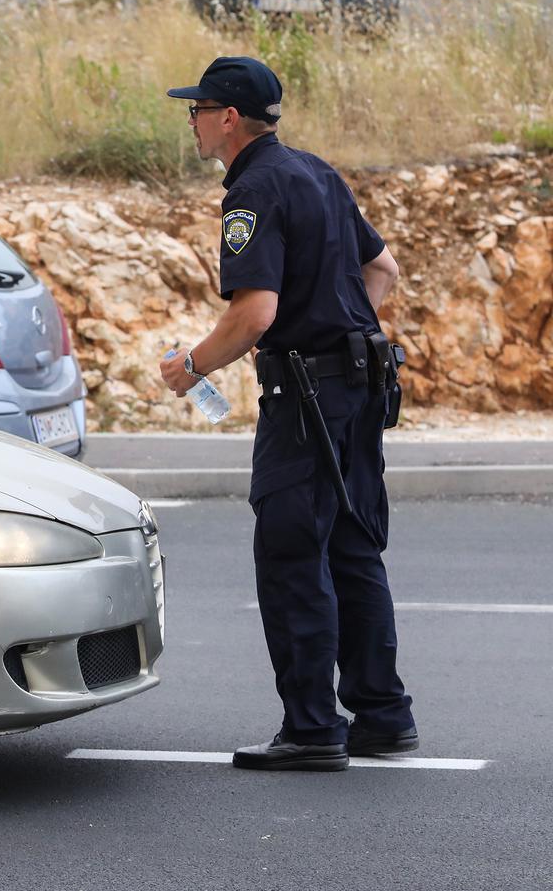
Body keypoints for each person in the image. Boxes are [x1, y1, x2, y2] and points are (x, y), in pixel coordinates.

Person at [157, 56, 416, 772]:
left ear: (229, 118)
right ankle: (382, 715)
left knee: (293, 553)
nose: (193, 121)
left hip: (305, 399)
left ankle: (310, 727)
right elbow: (383, 271)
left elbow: (255, 312)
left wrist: (193, 367)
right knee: (353, 548)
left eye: (197, 109)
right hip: (360, 385)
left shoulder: (254, 190)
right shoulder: (315, 171)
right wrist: (339, 327)